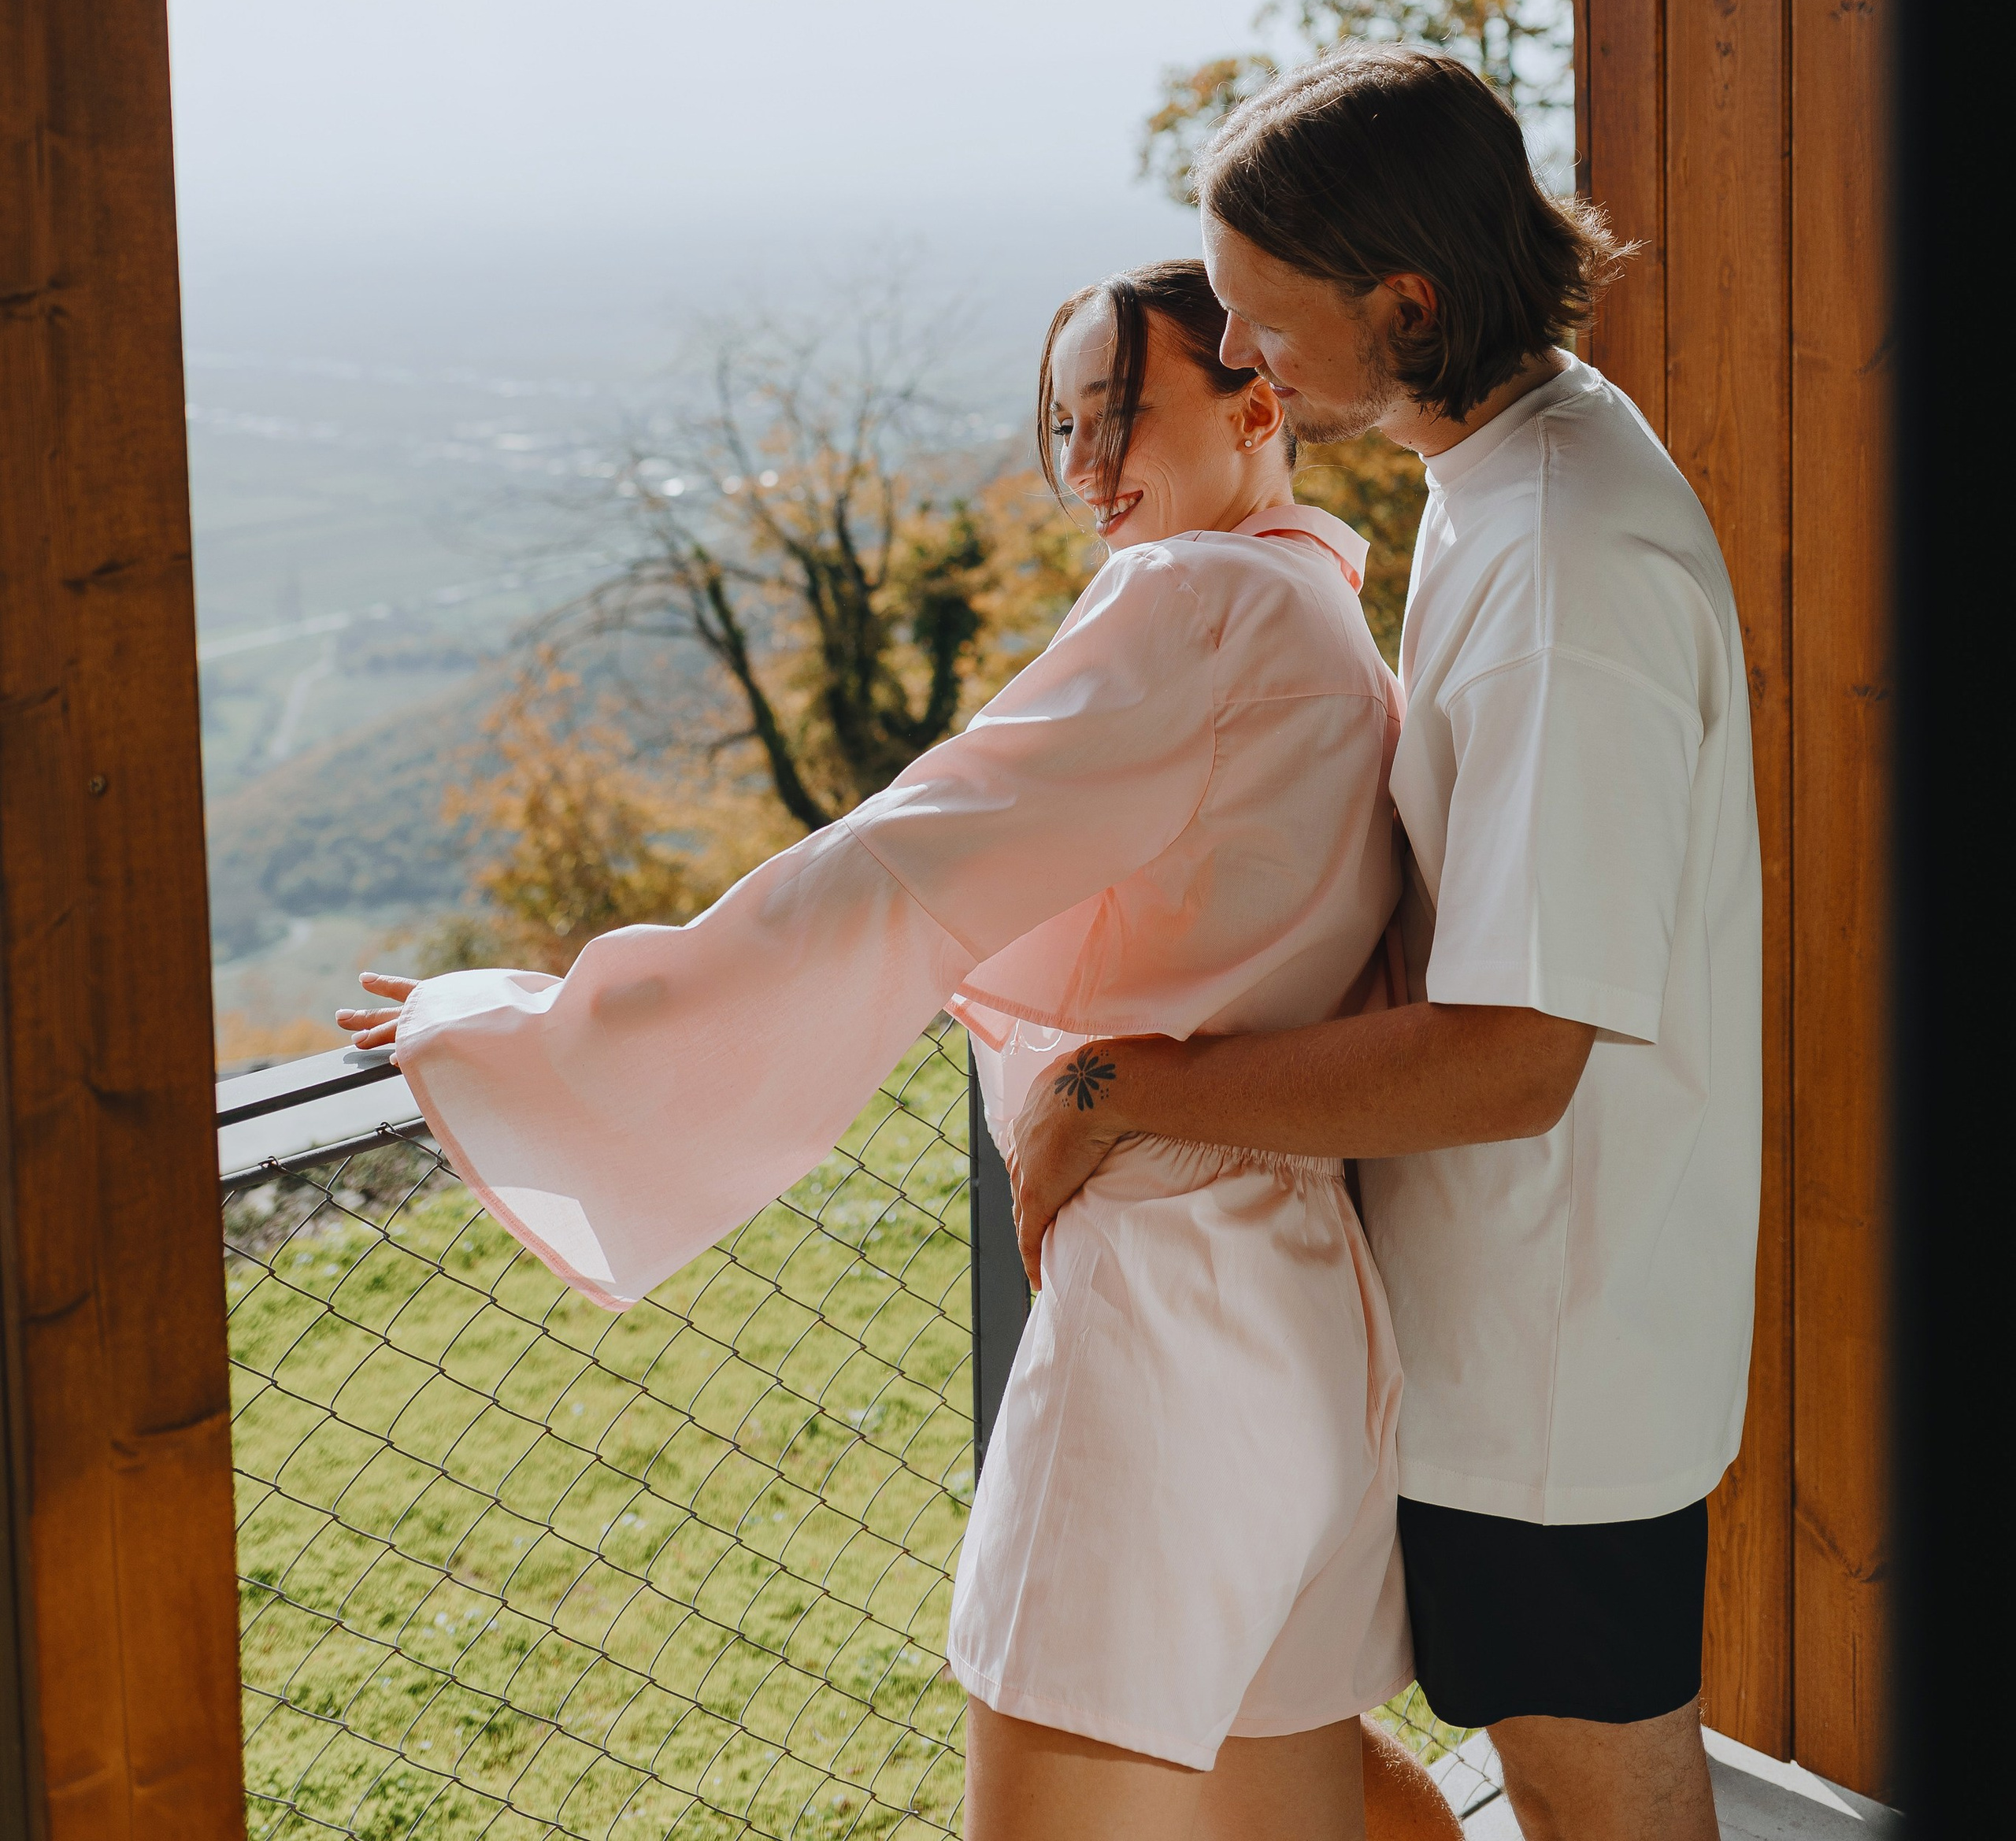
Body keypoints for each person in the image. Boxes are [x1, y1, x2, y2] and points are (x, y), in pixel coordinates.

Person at [340, 261, 1461, 1841]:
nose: (1083, 470)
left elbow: (895, 862)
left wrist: (533, 1021)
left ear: (1258, 405)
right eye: (1059, 429)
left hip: (1161, 1319)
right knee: (1315, 1799)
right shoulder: (1334, 631)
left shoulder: (1194, 600)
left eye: (1118, 416)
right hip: (1295, 1312)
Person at [1010, 49, 1762, 1841]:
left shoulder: (1563, 573)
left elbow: (1514, 1055)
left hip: (1551, 1369)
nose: (1240, 361)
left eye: (1262, 324)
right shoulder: (1523, 457)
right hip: (1512, 1326)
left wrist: (1123, 1083)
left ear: (1402, 301)